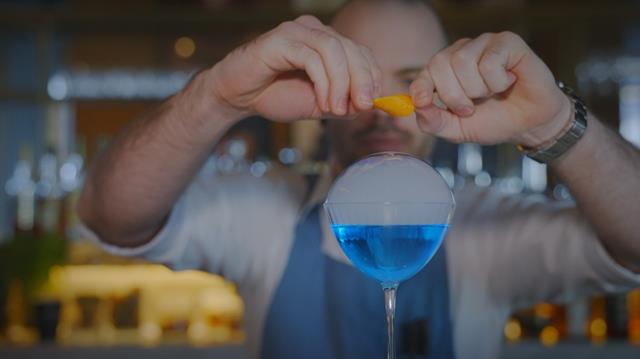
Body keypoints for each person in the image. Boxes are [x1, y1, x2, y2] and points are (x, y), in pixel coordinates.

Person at [78, 0, 640, 358]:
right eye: (360, 79)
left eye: (413, 80)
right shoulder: (264, 215)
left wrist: (555, 123)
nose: (382, 109)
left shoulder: (481, 225)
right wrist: (217, 96)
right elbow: (109, 213)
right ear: (322, 95)